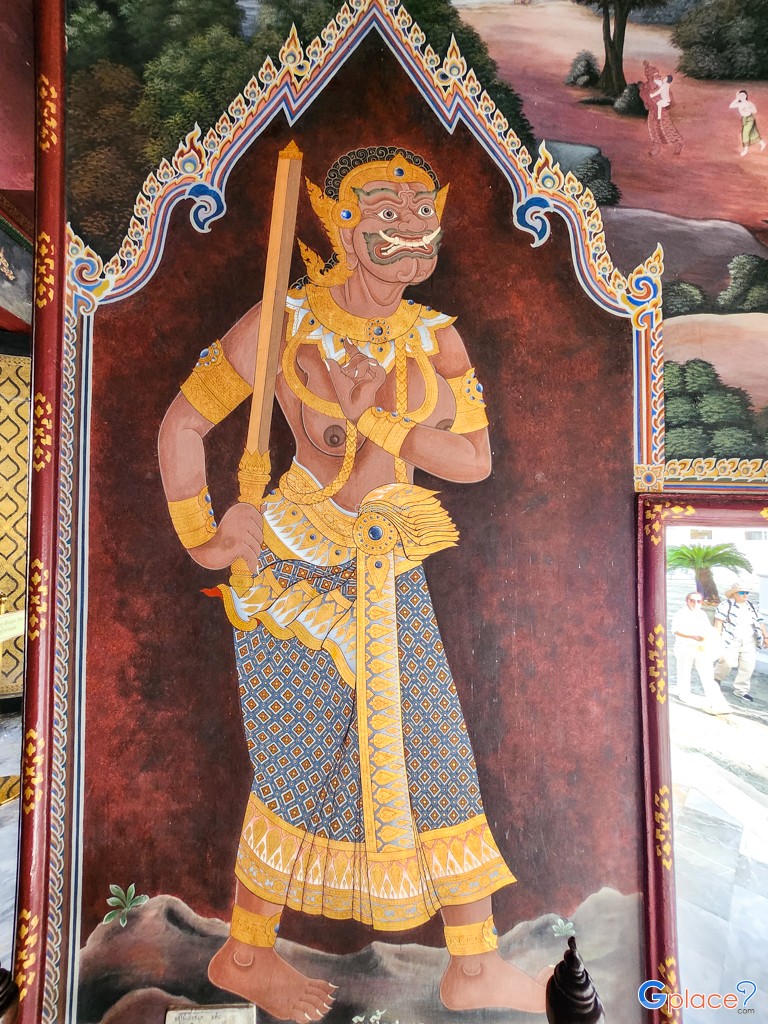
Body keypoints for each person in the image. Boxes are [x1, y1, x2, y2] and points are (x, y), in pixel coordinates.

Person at [158, 146, 547, 1022]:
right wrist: (206, 536)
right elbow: (182, 424)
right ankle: (244, 954)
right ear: (339, 222)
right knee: (297, 762)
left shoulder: (437, 338)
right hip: (292, 564)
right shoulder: (284, 321)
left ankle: (474, 965)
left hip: (388, 564)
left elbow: (474, 461)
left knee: (433, 748)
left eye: (423, 213)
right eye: (386, 213)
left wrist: (386, 425)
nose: (411, 230)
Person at [671, 593, 729, 715]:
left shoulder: (702, 614)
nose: (695, 603)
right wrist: (691, 636)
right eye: (692, 600)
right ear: (687, 601)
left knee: (707, 673)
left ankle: (717, 702)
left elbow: (707, 629)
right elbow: (675, 631)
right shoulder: (680, 614)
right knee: (684, 670)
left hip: (700, 647)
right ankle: (684, 693)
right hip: (685, 646)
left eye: (698, 601)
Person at [714, 581, 768, 702]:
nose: (745, 595)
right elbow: (718, 622)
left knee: (748, 666)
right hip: (731, 640)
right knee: (726, 662)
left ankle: (741, 690)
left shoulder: (751, 606)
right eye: (742, 593)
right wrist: (716, 639)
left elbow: (760, 621)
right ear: (734, 594)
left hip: (750, 640)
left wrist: (766, 637)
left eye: (747, 592)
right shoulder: (725, 605)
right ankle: (716, 678)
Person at [729, 90, 767, 157]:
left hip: (750, 119)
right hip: (744, 119)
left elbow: (755, 111)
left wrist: (749, 109)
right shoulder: (739, 104)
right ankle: (762, 143)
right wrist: (737, 98)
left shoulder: (749, 103)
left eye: (743, 95)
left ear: (746, 96)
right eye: (740, 95)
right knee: (753, 133)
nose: (741, 96)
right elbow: (731, 106)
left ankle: (745, 150)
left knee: (745, 133)